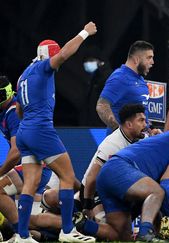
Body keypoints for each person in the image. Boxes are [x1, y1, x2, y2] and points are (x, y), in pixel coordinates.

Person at [14, 22, 97, 243]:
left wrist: (29, 127)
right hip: (40, 130)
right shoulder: (44, 68)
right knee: (67, 177)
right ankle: (68, 231)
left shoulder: (24, 75)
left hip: (25, 132)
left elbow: (19, 109)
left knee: (30, 184)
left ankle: (22, 235)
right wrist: (84, 33)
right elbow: (65, 53)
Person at [76, 127, 169, 241]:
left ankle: (83, 225)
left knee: (121, 234)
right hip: (120, 167)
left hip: (110, 175)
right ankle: (145, 234)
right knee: (156, 192)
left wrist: (87, 205)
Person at [0, 76, 52, 241]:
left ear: (6, 94)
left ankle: (20, 234)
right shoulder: (6, 110)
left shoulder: (12, 112)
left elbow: (15, 152)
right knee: (6, 200)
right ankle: (35, 235)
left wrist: (1, 171)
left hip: (37, 164)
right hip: (34, 162)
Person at [96, 40, 154, 134]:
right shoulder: (120, 78)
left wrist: (150, 130)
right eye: (149, 58)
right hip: (121, 146)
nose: (152, 62)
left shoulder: (140, 79)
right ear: (136, 59)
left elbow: (143, 112)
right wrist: (120, 133)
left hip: (138, 142)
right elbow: (101, 106)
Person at [80, 53, 112, 126]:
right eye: (86, 61)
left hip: (102, 124)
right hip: (91, 123)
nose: (87, 63)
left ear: (100, 61)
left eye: (91, 60)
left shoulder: (108, 77)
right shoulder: (92, 79)